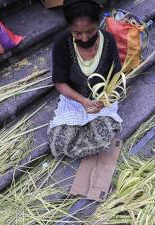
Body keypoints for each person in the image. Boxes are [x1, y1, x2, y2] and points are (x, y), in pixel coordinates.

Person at [48, 0, 123, 159]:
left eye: (90, 31)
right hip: (74, 99)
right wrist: (84, 101)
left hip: (102, 100)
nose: (84, 38)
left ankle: (86, 143)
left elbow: (117, 79)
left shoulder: (108, 41)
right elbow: (60, 83)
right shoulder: (62, 43)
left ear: (98, 22)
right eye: (77, 33)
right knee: (59, 142)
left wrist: (103, 101)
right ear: (69, 28)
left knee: (103, 137)